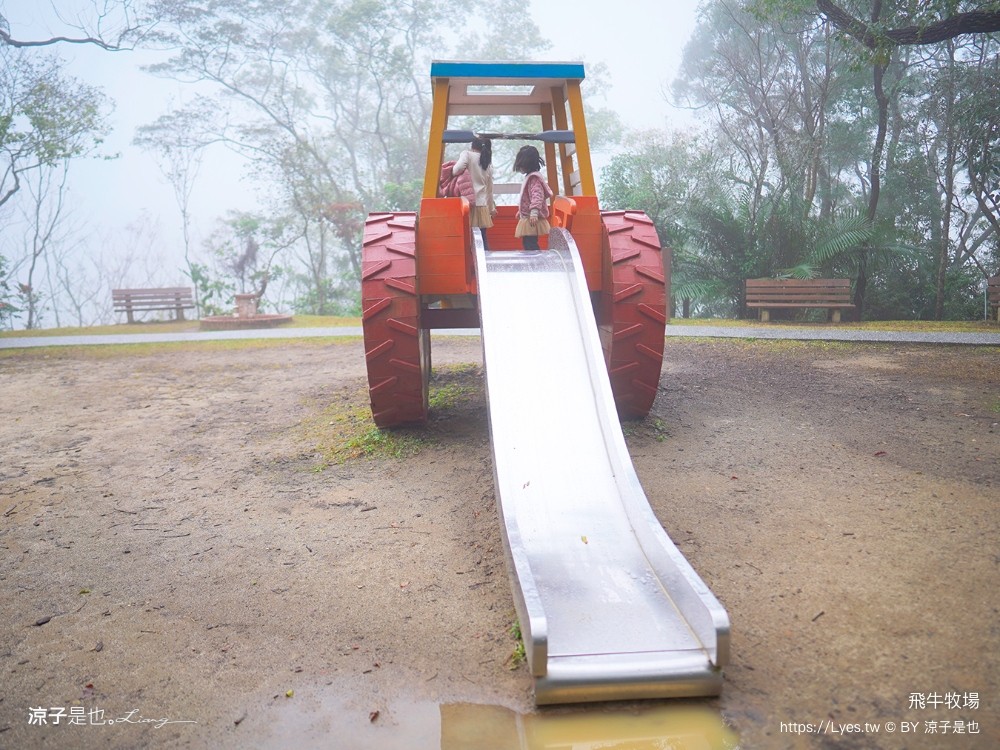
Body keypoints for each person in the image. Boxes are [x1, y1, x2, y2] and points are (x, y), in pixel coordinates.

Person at [451, 136, 496, 250]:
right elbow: (489, 190)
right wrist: (491, 209)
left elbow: (457, 169)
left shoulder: (467, 154)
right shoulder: (488, 164)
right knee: (482, 237)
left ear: (472, 146)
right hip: (482, 206)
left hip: (468, 204)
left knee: (468, 238)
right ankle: (485, 261)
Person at [513, 145, 553, 251]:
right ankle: (534, 262)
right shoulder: (530, 177)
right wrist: (522, 211)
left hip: (531, 217)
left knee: (530, 243)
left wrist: (534, 212)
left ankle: (536, 262)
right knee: (528, 242)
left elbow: (537, 196)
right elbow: (528, 197)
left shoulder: (534, 178)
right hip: (528, 216)